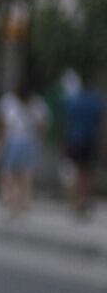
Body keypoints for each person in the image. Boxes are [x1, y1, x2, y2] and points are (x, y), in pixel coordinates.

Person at [0, 83, 49, 219]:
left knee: (12, 174)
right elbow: (42, 126)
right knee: (24, 174)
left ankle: (14, 203)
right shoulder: (37, 103)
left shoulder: (8, 102)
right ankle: (23, 203)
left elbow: (3, 126)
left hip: (14, 140)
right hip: (29, 141)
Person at [59, 70, 103, 219]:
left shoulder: (73, 101)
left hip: (75, 140)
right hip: (90, 140)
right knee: (88, 173)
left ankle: (73, 202)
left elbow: (66, 122)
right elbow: (100, 122)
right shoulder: (95, 101)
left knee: (74, 172)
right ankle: (85, 201)